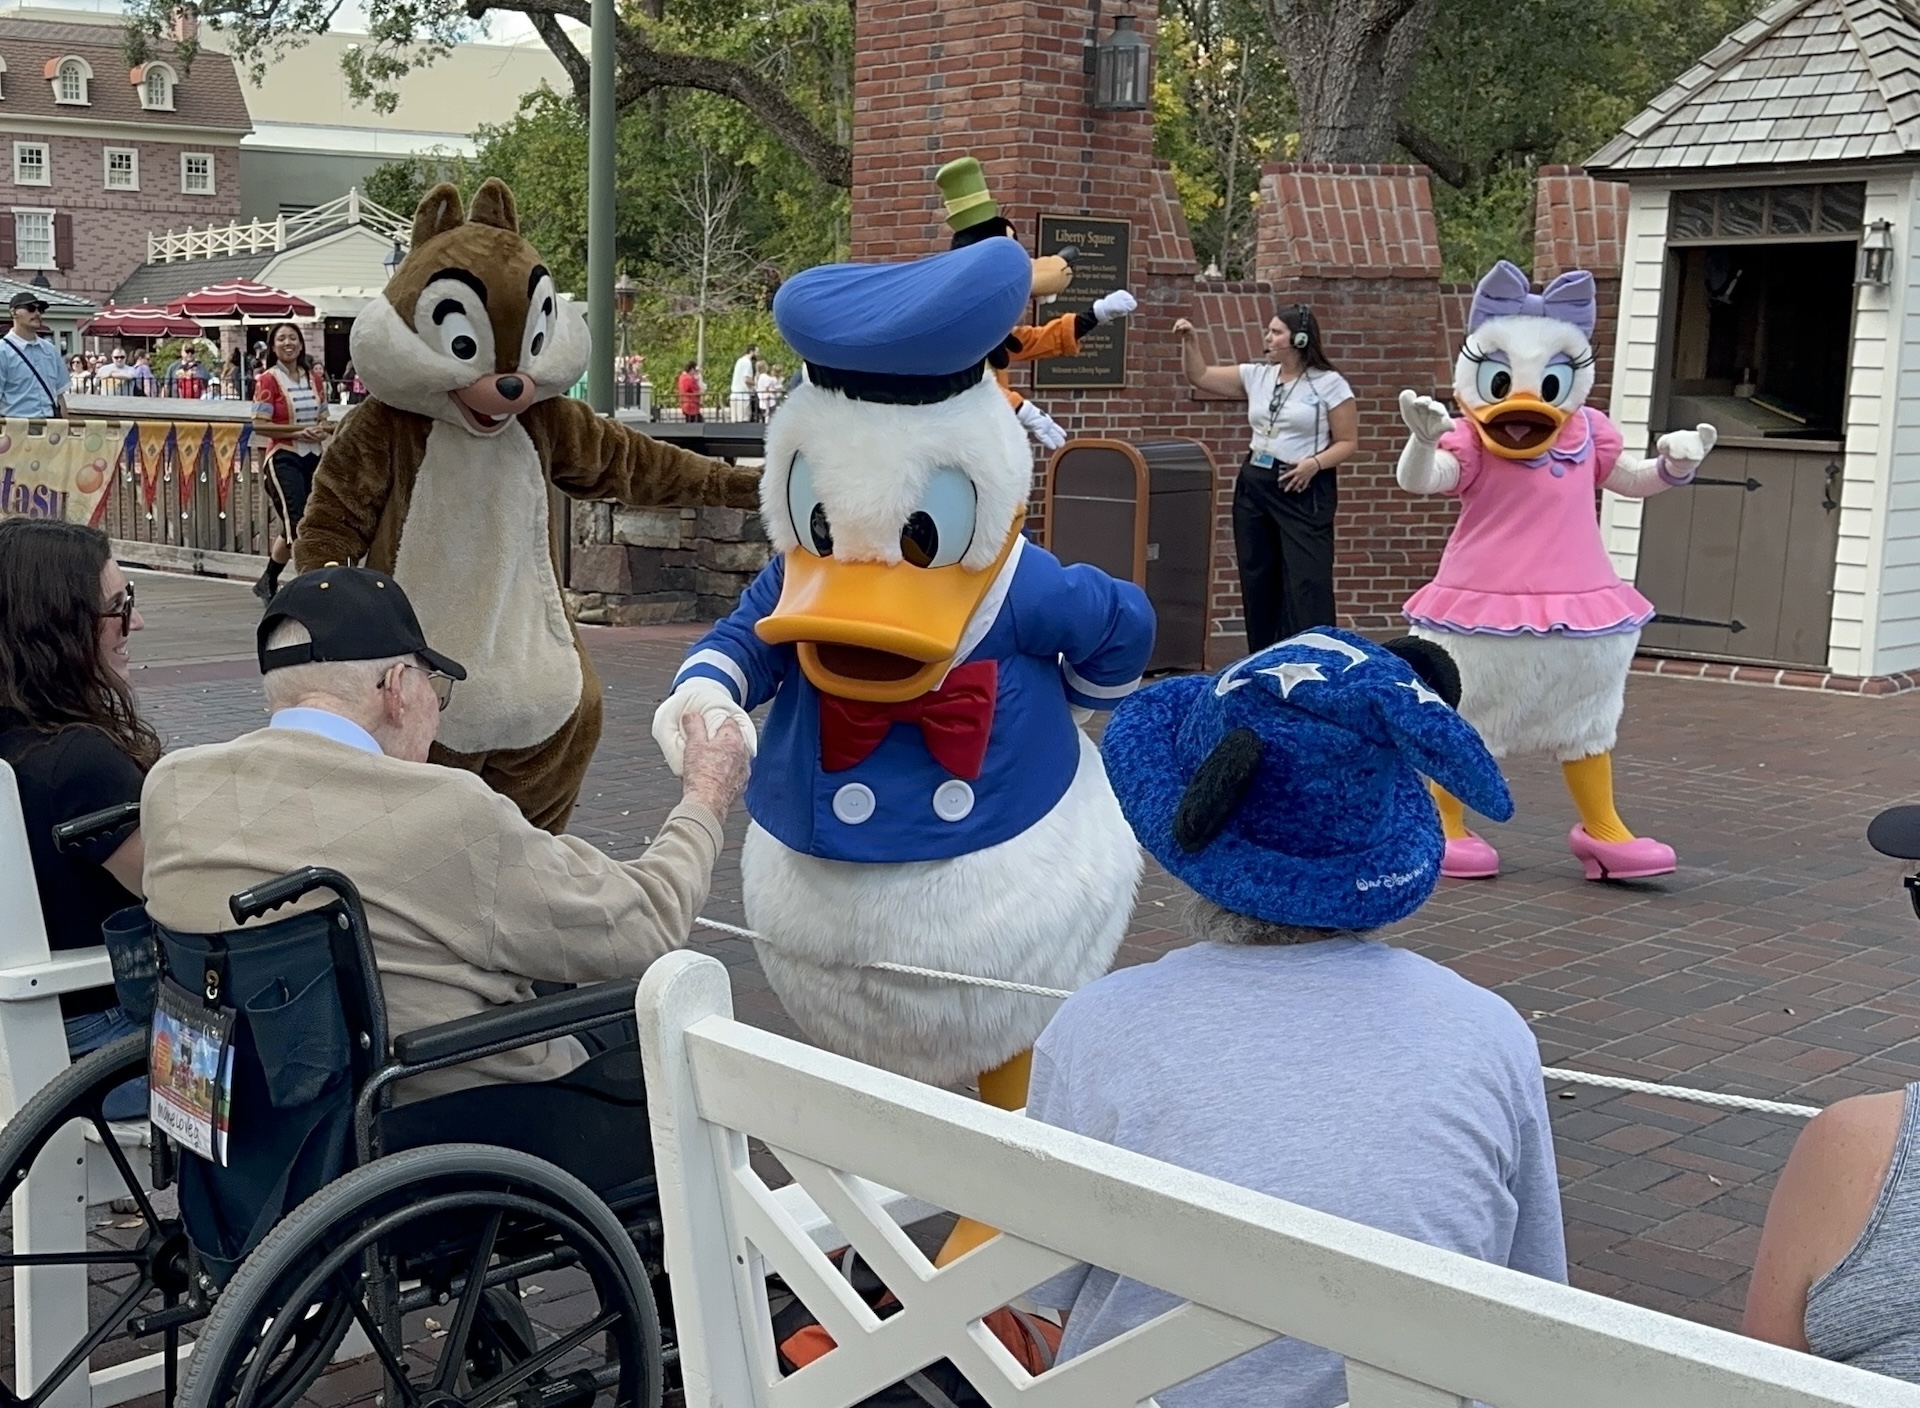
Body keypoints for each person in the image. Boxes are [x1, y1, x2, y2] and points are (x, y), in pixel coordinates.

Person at [1027, 630, 1562, 1408]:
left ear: (1195, 822)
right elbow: (1531, 1287)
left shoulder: (1100, 1024)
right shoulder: (1490, 1032)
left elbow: (1042, 1273)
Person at [139, 565, 752, 1102]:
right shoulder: (442, 810)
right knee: (654, 1010)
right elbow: (644, 924)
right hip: (455, 1117)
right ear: (400, 691)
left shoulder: (172, 788)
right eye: (437, 690)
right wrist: (703, 798)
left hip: (256, 1116)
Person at [0, 520, 156, 1119]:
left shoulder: (17, 748)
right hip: (95, 1051)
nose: (134, 624)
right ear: (58, 627)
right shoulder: (79, 763)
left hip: (23, 1042)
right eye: (118, 608)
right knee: (308, 1067)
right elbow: (186, 898)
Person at [1173, 306, 1358, 652]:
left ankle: (1314, 655)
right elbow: (1199, 376)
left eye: (1276, 332)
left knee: (1306, 578)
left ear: (1299, 339)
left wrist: (1315, 464)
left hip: (1300, 482)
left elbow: (1348, 441)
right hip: (1256, 482)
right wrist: (1191, 341)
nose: (1268, 338)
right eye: (1268, 331)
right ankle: (1264, 654)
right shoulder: (1258, 376)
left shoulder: (1329, 384)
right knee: (1258, 573)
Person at [248, 322, 335, 604]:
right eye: (282, 338)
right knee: (297, 522)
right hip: (284, 456)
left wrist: (322, 428)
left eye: (293, 338)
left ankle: (268, 580)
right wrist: (297, 431)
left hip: (313, 456)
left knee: (303, 521)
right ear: (273, 346)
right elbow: (259, 425)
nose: (288, 343)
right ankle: (309, 587)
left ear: (301, 343)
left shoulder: (315, 379)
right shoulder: (268, 380)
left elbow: (323, 416)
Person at [0, 292, 69, 418]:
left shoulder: (50, 350)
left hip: (51, 427)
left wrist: (66, 431)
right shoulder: (2, 351)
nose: (37, 313)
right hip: (14, 427)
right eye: (31, 308)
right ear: (13, 313)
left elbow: (59, 397)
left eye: (40, 310)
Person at [731, 341, 758, 421]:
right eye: (757, 352)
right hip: (743, 396)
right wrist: (755, 383)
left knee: (734, 421)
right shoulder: (747, 362)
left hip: (735, 395)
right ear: (752, 352)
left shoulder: (739, 360)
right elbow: (746, 379)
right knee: (743, 420)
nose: (758, 354)